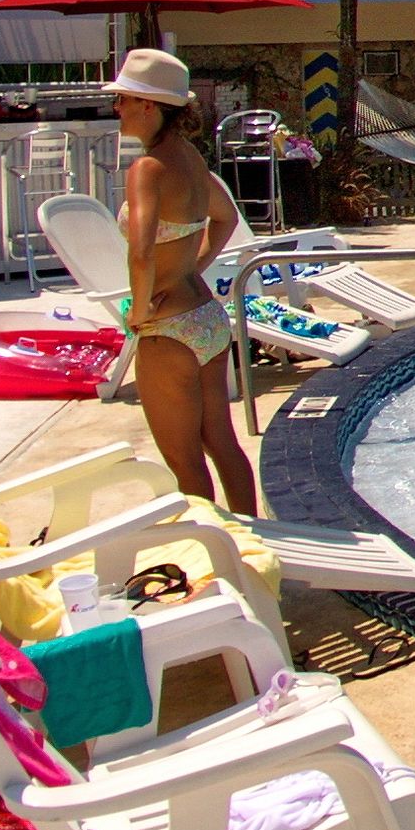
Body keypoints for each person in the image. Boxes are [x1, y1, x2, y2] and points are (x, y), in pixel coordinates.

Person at [108, 49, 259, 512]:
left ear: (149, 105)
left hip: (167, 328)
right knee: (224, 446)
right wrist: (195, 265)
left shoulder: (147, 168)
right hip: (206, 318)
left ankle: (214, 559)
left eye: (124, 99)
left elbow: (141, 250)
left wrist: (137, 310)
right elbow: (226, 216)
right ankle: (254, 544)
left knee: (184, 460)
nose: (117, 109)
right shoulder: (190, 158)